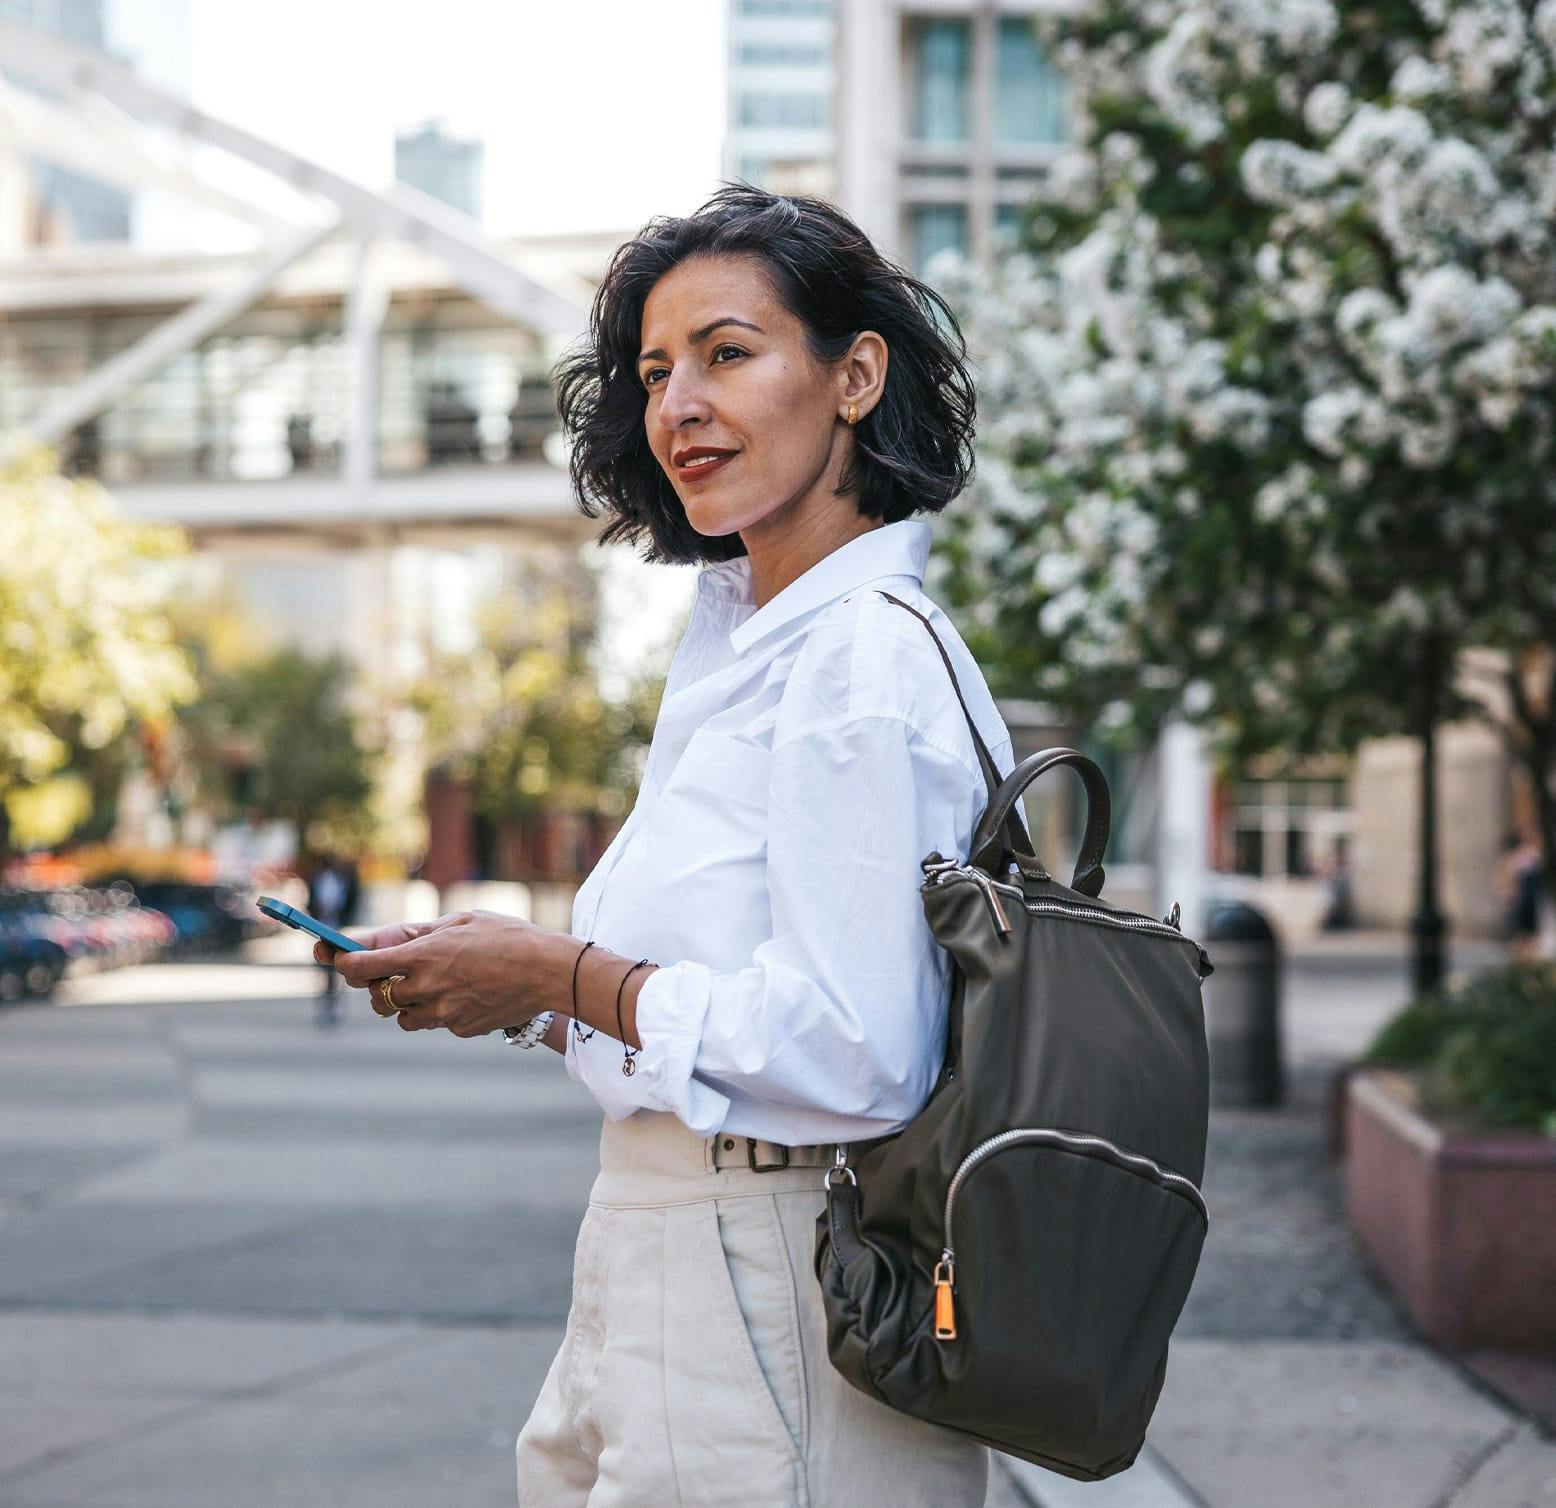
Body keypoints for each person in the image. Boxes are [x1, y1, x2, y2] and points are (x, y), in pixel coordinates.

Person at [318, 183, 1003, 1505]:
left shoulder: (854, 660)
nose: (677, 403)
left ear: (855, 376)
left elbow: (859, 1054)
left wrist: (555, 977)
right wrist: (511, 986)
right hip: (671, 1252)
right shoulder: (749, 648)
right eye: (653, 371)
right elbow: (722, 983)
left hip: (770, 1267)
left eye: (728, 354)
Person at [307, 851, 359, 1027]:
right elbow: (313, 900)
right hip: (321, 926)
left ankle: (335, 1007)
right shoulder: (318, 878)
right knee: (324, 969)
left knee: (337, 969)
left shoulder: (342, 879)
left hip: (336, 927)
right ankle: (326, 1008)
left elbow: (350, 901)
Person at [1499, 831, 1546, 963]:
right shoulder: (1518, 859)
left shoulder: (1534, 858)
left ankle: (1528, 964)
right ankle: (1520, 964)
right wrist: (1509, 896)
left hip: (1531, 902)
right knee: (1520, 936)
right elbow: (1507, 878)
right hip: (1521, 902)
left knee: (1531, 937)